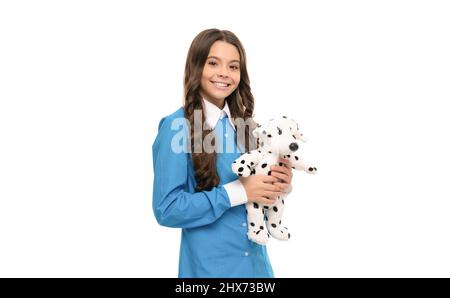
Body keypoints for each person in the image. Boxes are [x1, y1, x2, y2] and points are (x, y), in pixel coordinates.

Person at [152, 28, 294, 278]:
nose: (224, 74)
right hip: (209, 273)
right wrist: (239, 191)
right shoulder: (177, 127)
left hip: (258, 271)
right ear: (196, 66)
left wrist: (278, 182)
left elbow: (258, 197)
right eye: (213, 63)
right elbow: (167, 209)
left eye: (233, 66)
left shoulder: (248, 127)